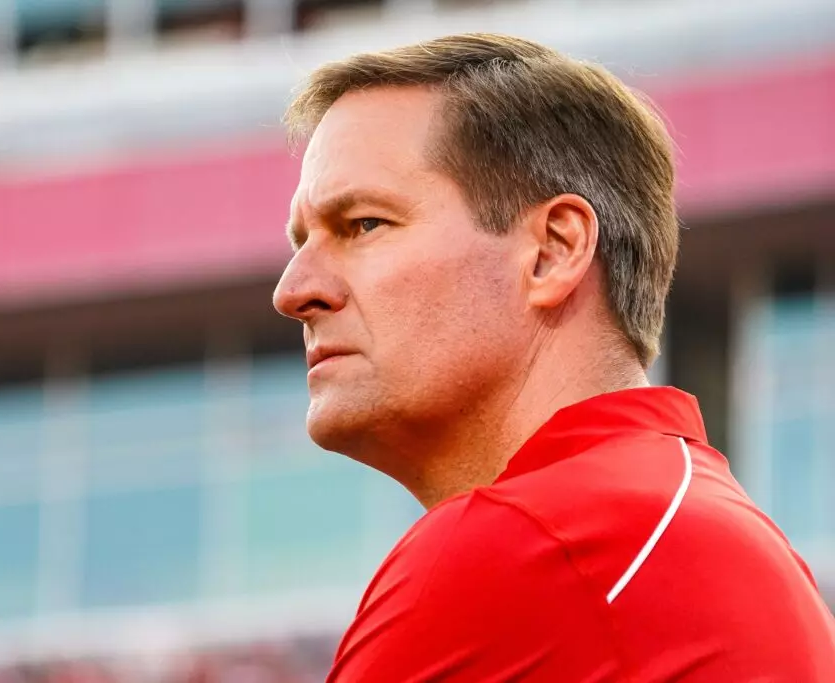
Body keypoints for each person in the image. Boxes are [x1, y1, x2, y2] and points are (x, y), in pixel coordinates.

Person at [272, 33, 835, 682]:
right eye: (301, 240)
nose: (295, 291)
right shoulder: (716, 539)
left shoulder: (529, 541)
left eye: (363, 225)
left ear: (554, 250)